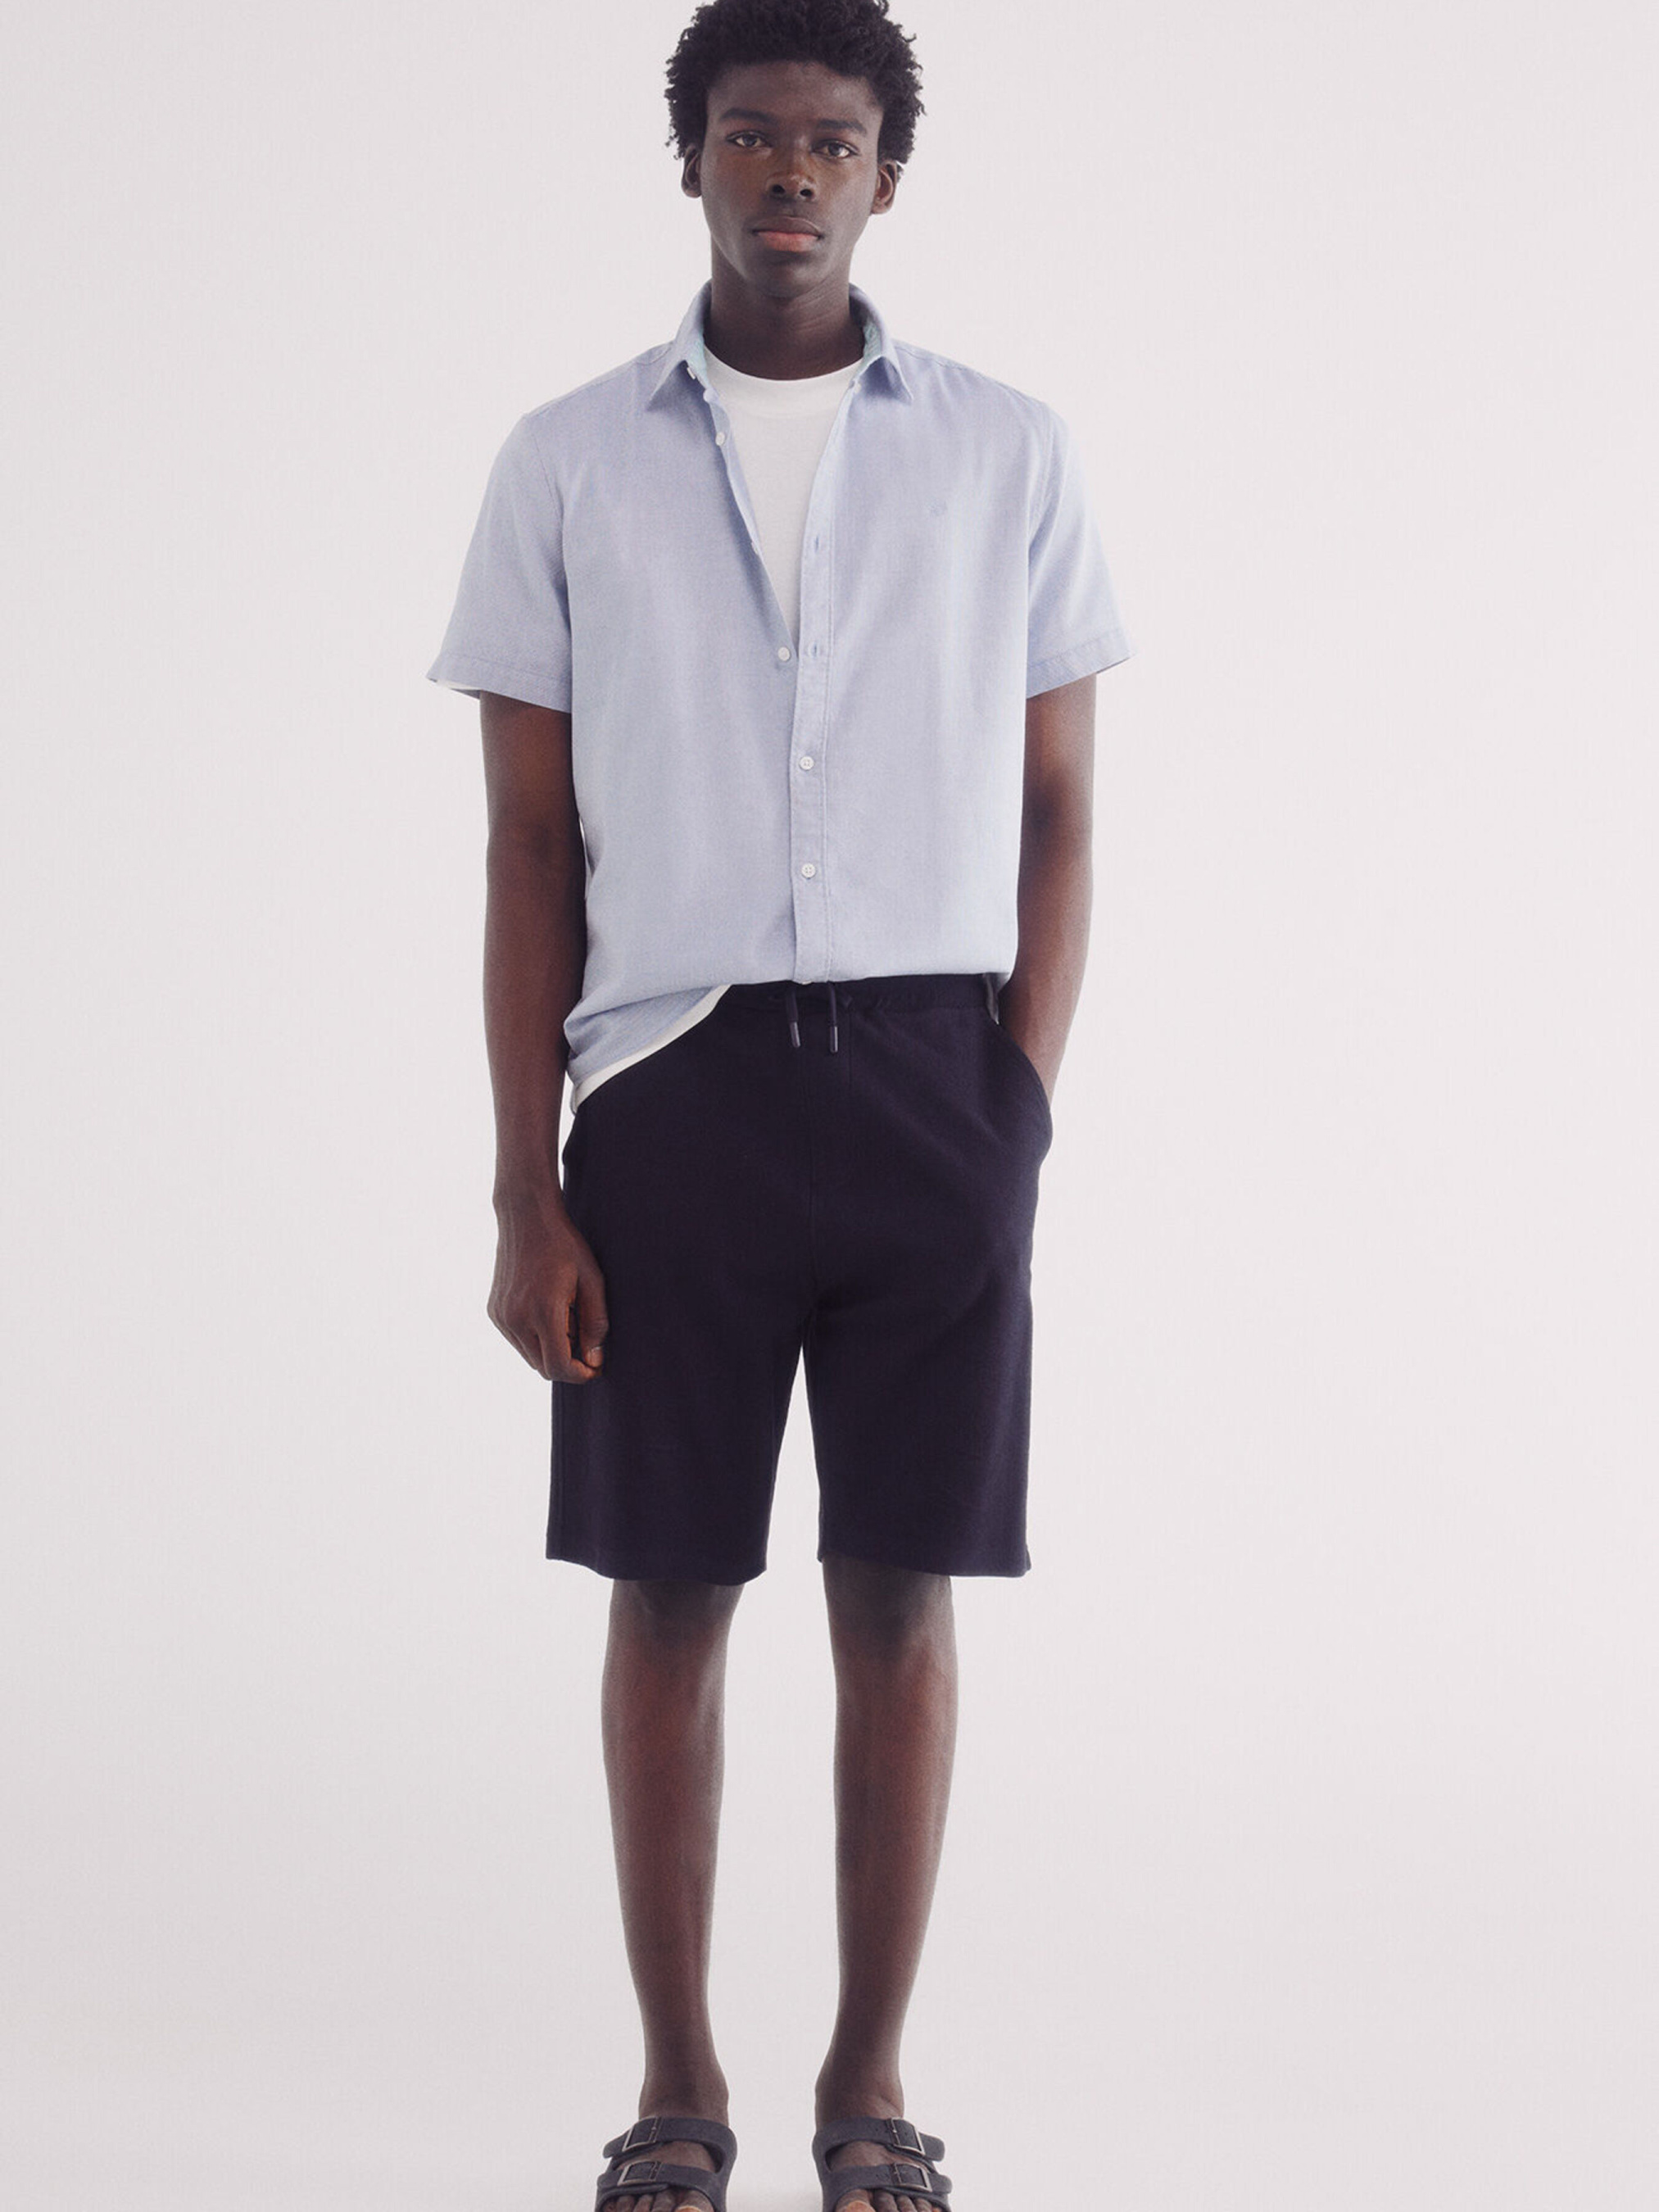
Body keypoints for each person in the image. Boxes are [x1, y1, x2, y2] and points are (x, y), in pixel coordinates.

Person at [426, 4, 1133, 2208]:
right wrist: (526, 1184)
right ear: (694, 165)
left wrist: (1014, 1104)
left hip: (936, 1086)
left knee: (900, 1597)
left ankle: (869, 2089)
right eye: (751, 138)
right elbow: (524, 846)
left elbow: (1060, 809)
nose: (792, 175)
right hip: (672, 1094)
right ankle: (677, 2090)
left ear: (886, 175)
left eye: (832, 142)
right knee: (667, 1591)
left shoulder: (1009, 452)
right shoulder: (567, 459)